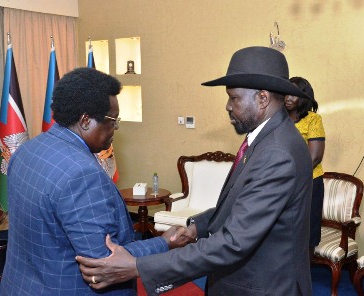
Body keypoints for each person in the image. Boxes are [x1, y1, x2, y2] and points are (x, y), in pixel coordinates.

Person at [76, 46, 314, 296]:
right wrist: (196, 227)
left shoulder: (276, 152)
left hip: (264, 287)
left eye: (234, 98)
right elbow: (238, 208)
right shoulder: (268, 139)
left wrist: (138, 266)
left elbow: (233, 242)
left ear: (262, 98)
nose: (228, 107)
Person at [0, 67, 190, 296]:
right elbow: (104, 264)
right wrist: (165, 242)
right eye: (112, 120)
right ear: (86, 121)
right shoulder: (81, 174)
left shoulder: (26, 151)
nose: (116, 128)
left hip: (20, 286)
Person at [284, 76, 326, 255]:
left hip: (308, 183)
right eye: (285, 93)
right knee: (284, 230)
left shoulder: (312, 119)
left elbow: (315, 157)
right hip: (282, 181)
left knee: (306, 232)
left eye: (293, 94)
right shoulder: (278, 119)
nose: (288, 98)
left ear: (303, 97)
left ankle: (303, 277)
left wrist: (290, 175)